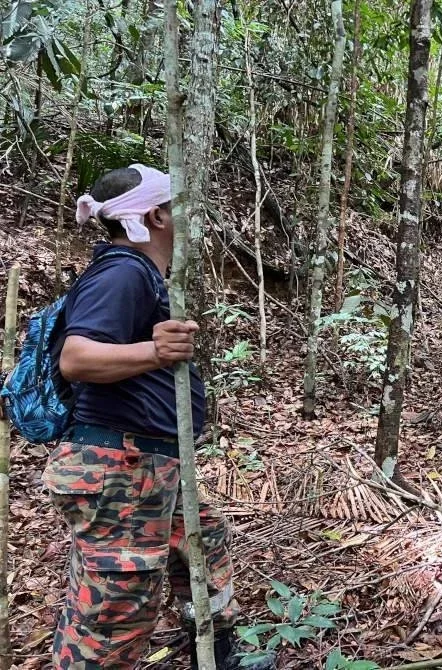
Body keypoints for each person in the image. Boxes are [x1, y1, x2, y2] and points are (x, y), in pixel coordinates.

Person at [43, 165, 274, 670]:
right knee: (114, 610)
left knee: (202, 540)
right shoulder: (123, 271)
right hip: (120, 468)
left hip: (149, 466)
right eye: (180, 206)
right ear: (157, 216)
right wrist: (155, 351)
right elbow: (76, 358)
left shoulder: (138, 273)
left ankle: (216, 656)